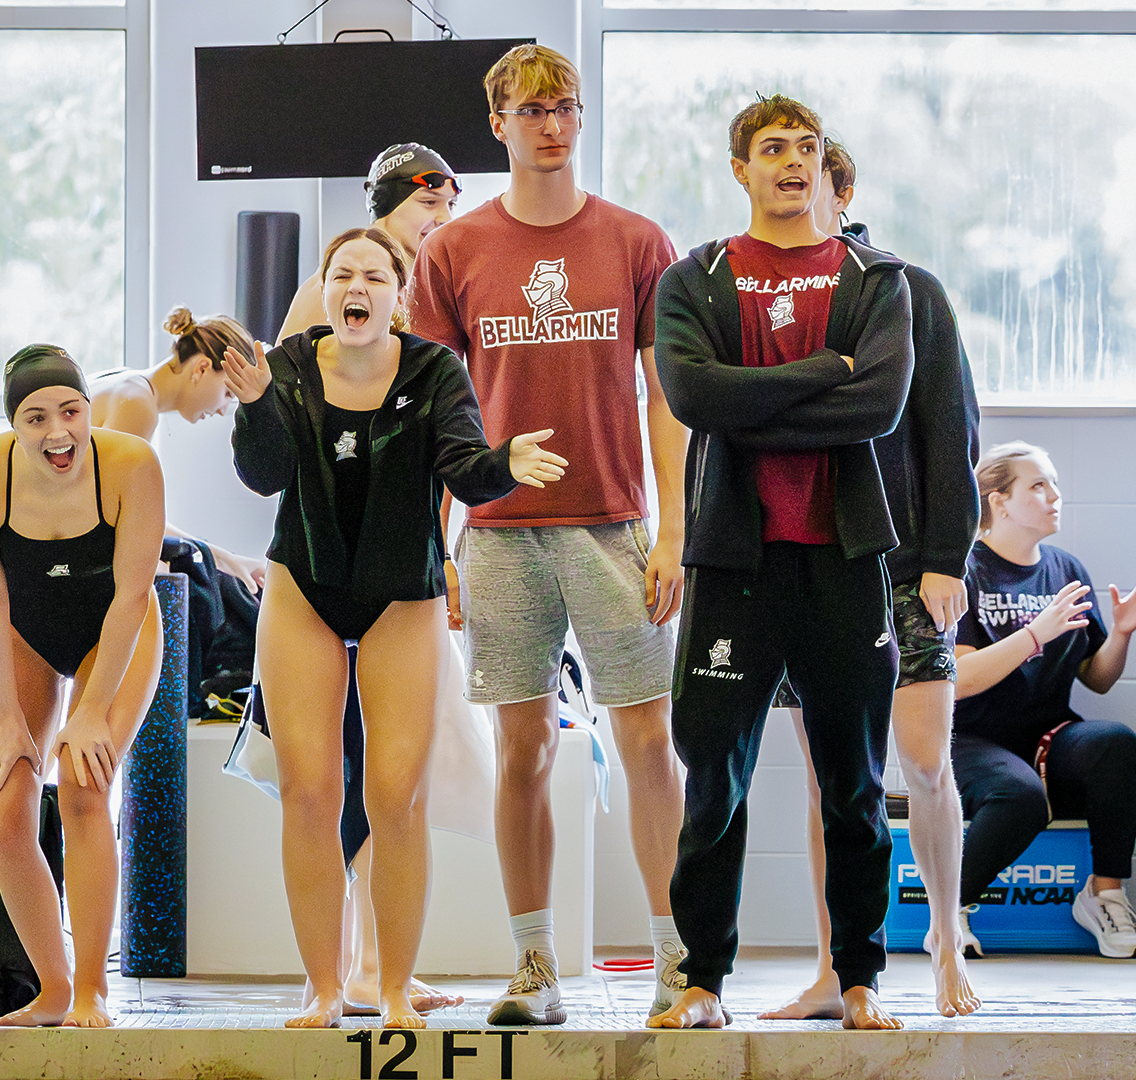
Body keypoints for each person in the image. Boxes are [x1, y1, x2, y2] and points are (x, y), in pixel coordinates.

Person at [405, 43, 689, 1025]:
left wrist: (675, 529)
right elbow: (431, 413)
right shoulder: (452, 252)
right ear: (497, 126)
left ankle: (675, 965)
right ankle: (535, 968)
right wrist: (433, 540)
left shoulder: (637, 241)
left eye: (564, 106)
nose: (552, 124)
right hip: (496, 532)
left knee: (649, 739)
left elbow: (667, 397)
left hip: (613, 526)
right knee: (521, 744)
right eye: (530, 110)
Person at [231, 226, 566, 1030]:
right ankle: (322, 987)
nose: (358, 287)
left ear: (397, 295)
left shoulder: (432, 367)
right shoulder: (285, 368)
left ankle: (390, 991)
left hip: (401, 595)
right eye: (343, 274)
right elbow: (263, 474)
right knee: (309, 793)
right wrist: (251, 406)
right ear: (323, 290)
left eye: (374, 276)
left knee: (396, 797)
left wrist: (502, 466)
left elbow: (461, 461)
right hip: (303, 586)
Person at [651, 95, 915, 1031]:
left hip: (843, 561)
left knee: (853, 785)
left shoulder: (876, 280)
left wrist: (753, 399)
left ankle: (858, 978)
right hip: (735, 561)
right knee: (712, 779)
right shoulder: (697, 278)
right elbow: (693, 395)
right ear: (741, 169)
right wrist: (824, 372)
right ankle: (702, 983)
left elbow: (877, 407)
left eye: (806, 148)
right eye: (773, 149)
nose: (793, 163)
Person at [759, 141, 984, 1021]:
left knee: (925, 764)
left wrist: (944, 559)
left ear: (842, 192)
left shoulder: (907, 289)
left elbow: (952, 433)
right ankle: (833, 966)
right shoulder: (762, 292)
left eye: (813, 176)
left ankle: (942, 940)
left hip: (900, 562)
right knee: (829, 781)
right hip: (806, 559)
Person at [273, 143, 471, 1018]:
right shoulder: (330, 297)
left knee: (398, 789)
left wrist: (448, 550)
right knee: (317, 785)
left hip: (407, 568)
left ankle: (375, 970)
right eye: (433, 208)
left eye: (449, 210)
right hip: (317, 562)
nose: (443, 225)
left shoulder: (439, 291)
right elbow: (286, 445)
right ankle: (342, 971)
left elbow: (451, 446)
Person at [0, 345, 167, 1028]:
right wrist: (10, 720)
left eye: (70, 411)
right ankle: (54, 987)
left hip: (116, 628)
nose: (58, 433)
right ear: (12, 423)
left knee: (82, 783)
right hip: (22, 632)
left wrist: (94, 711)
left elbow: (133, 594)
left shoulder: (131, 464)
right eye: (35, 417)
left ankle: (95, 989)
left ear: (87, 409)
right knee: (4, 801)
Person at [948, 443, 1136, 960]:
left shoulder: (1066, 568)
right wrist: (1034, 636)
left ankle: (1104, 894)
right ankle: (947, 908)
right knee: (1020, 798)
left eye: (1055, 484)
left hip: (1047, 737)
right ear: (998, 501)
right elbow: (959, 678)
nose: (1054, 496)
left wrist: (1123, 635)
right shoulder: (964, 570)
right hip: (971, 738)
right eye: (1038, 486)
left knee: (1119, 745)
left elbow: (1097, 678)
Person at [88, 306, 267, 591]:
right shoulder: (137, 405)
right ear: (202, 368)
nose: (223, 410)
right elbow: (123, 523)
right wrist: (223, 560)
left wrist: (226, 559)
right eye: (228, 393)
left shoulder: (130, 385)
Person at [277, 143, 459, 341]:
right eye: (429, 202)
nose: (446, 218)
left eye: (451, 204)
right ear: (387, 205)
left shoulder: (417, 281)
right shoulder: (336, 281)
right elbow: (279, 370)